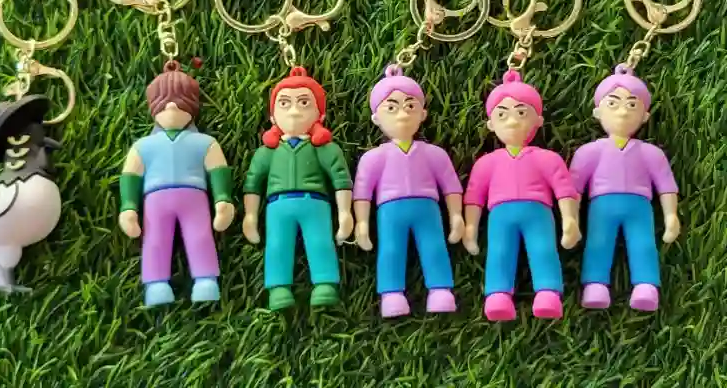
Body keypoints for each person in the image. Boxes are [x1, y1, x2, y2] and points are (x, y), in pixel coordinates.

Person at [463, 71, 581, 321]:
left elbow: (564, 190)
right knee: (499, 252)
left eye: (521, 113)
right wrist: (470, 227)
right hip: (500, 215)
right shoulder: (486, 163)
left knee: (543, 249)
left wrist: (570, 219)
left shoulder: (548, 159)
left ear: (538, 120)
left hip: (538, 213)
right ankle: (497, 295)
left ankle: (548, 293)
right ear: (491, 124)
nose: (512, 122)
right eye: (502, 115)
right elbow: (474, 196)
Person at [118, 61, 235, 307]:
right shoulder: (143, 146)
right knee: (155, 239)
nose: (171, 106)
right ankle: (156, 283)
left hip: (194, 198)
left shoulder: (205, 142)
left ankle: (206, 279)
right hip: (155, 200)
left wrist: (223, 199)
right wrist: (128, 207)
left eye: (180, 101)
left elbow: (218, 170)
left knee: (200, 236)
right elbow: (130, 176)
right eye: (164, 101)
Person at [354, 65, 464, 318]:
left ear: (422, 113)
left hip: (427, 209)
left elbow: (451, 187)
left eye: (410, 106)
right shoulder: (374, 158)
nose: (402, 114)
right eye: (391, 108)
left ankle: (440, 289)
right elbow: (362, 193)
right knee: (391, 249)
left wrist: (456, 215)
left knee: (434, 246)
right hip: (390, 211)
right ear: (376, 118)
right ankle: (391, 293)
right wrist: (362, 222)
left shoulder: (434, 154)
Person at [570, 65, 680, 312]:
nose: (622, 112)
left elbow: (665, 186)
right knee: (598, 242)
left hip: (639, 206)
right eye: (613, 104)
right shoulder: (589, 152)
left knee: (643, 243)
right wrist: (572, 218)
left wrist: (671, 215)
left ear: (644, 116)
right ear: (598, 112)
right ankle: (595, 285)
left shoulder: (651, 153)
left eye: (632, 105)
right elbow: (574, 189)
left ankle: (646, 286)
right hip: (601, 206)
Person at [243, 67, 353, 310]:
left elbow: (340, 178)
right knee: (277, 245)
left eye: (304, 103)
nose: (294, 111)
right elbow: (253, 183)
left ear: (319, 114)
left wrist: (345, 212)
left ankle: (325, 284)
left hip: (315, 203)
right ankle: (278, 288)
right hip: (277, 206)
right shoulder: (267, 153)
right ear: (273, 116)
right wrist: (250, 215)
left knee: (320, 241)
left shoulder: (325, 149)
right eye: (284, 103)